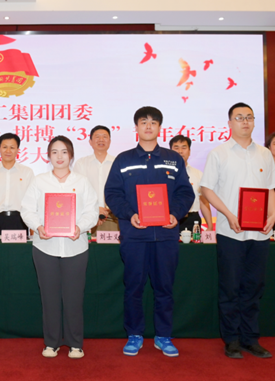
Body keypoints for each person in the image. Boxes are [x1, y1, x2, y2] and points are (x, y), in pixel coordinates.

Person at [104, 107, 194, 358]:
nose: (148, 126)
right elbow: (112, 193)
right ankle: (134, 334)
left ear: (159, 128)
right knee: (134, 287)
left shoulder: (173, 159)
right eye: (143, 122)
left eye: (153, 122)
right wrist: (129, 214)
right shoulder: (123, 160)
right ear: (136, 127)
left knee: (164, 288)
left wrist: (175, 214)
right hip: (135, 235)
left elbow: (185, 192)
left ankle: (163, 336)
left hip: (166, 235)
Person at [200, 102, 275, 359]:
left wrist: (273, 214)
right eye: (239, 117)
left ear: (254, 122)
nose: (245, 121)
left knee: (254, 287)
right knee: (231, 288)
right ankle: (232, 339)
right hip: (230, 231)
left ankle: (250, 338)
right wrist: (228, 214)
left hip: (260, 233)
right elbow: (207, 189)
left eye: (249, 117)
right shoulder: (219, 153)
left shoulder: (265, 154)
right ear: (230, 123)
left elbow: (270, 189)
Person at [21, 136, 98, 359]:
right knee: (49, 297)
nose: (59, 156)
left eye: (64, 152)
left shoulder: (82, 181)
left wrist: (80, 227)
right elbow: (27, 209)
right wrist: (37, 226)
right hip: (45, 247)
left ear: (71, 155)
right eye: (54, 152)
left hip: (76, 247)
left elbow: (92, 211)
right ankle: (51, 342)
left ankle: (75, 343)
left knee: (74, 297)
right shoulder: (39, 181)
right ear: (48, 156)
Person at [74, 125, 118, 232]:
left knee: (113, 243)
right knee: (89, 243)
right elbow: (77, 191)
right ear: (90, 142)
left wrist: (108, 209)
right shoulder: (81, 163)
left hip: (113, 216)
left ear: (110, 141)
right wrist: (95, 209)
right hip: (87, 215)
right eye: (97, 137)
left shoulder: (117, 162)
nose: (101, 139)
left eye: (105, 137)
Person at [0, 133, 34, 232]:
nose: (8, 151)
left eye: (12, 147)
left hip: (19, 221)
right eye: (5, 147)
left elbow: (32, 200)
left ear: (18, 150)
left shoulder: (27, 172)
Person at [169, 135, 214, 232]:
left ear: (189, 151)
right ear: (170, 151)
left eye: (184, 148)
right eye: (176, 148)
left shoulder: (198, 174)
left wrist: (210, 226)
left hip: (192, 220)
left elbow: (204, 201)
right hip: (169, 218)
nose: (180, 151)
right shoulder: (163, 173)